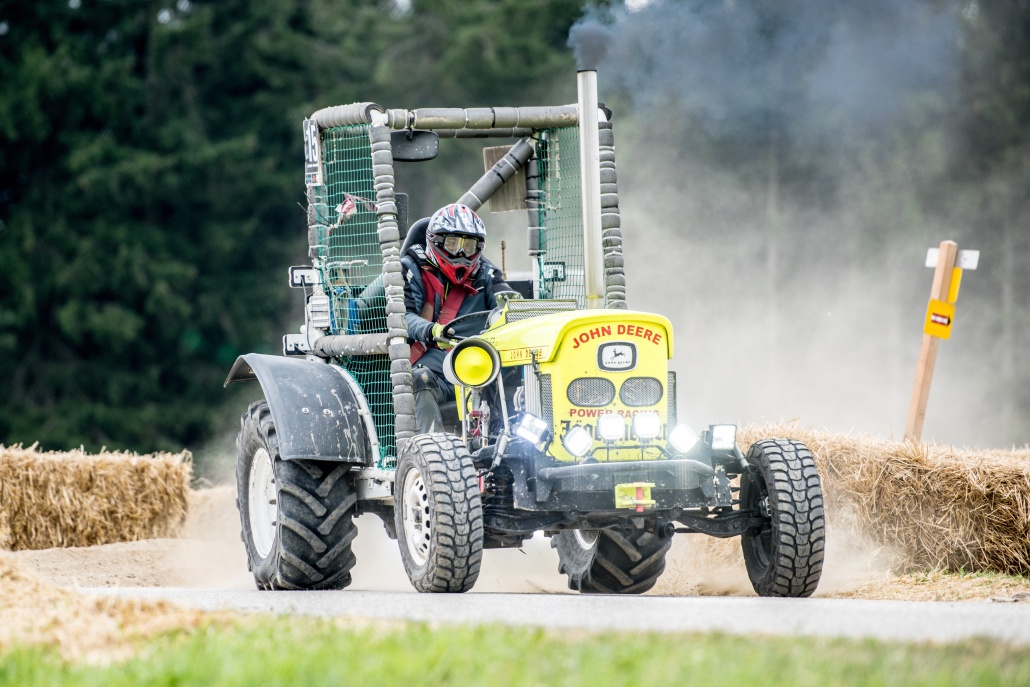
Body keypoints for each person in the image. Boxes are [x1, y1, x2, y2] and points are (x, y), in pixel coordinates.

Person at [402, 203, 517, 433]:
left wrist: (507, 313)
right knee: (419, 378)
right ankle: (431, 445)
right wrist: (432, 330)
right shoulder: (410, 269)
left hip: (481, 368)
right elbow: (403, 317)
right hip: (434, 372)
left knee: (515, 375)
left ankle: (507, 440)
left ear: (479, 247)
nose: (461, 253)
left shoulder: (487, 274)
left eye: (468, 245)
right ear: (436, 241)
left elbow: (509, 308)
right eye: (453, 244)